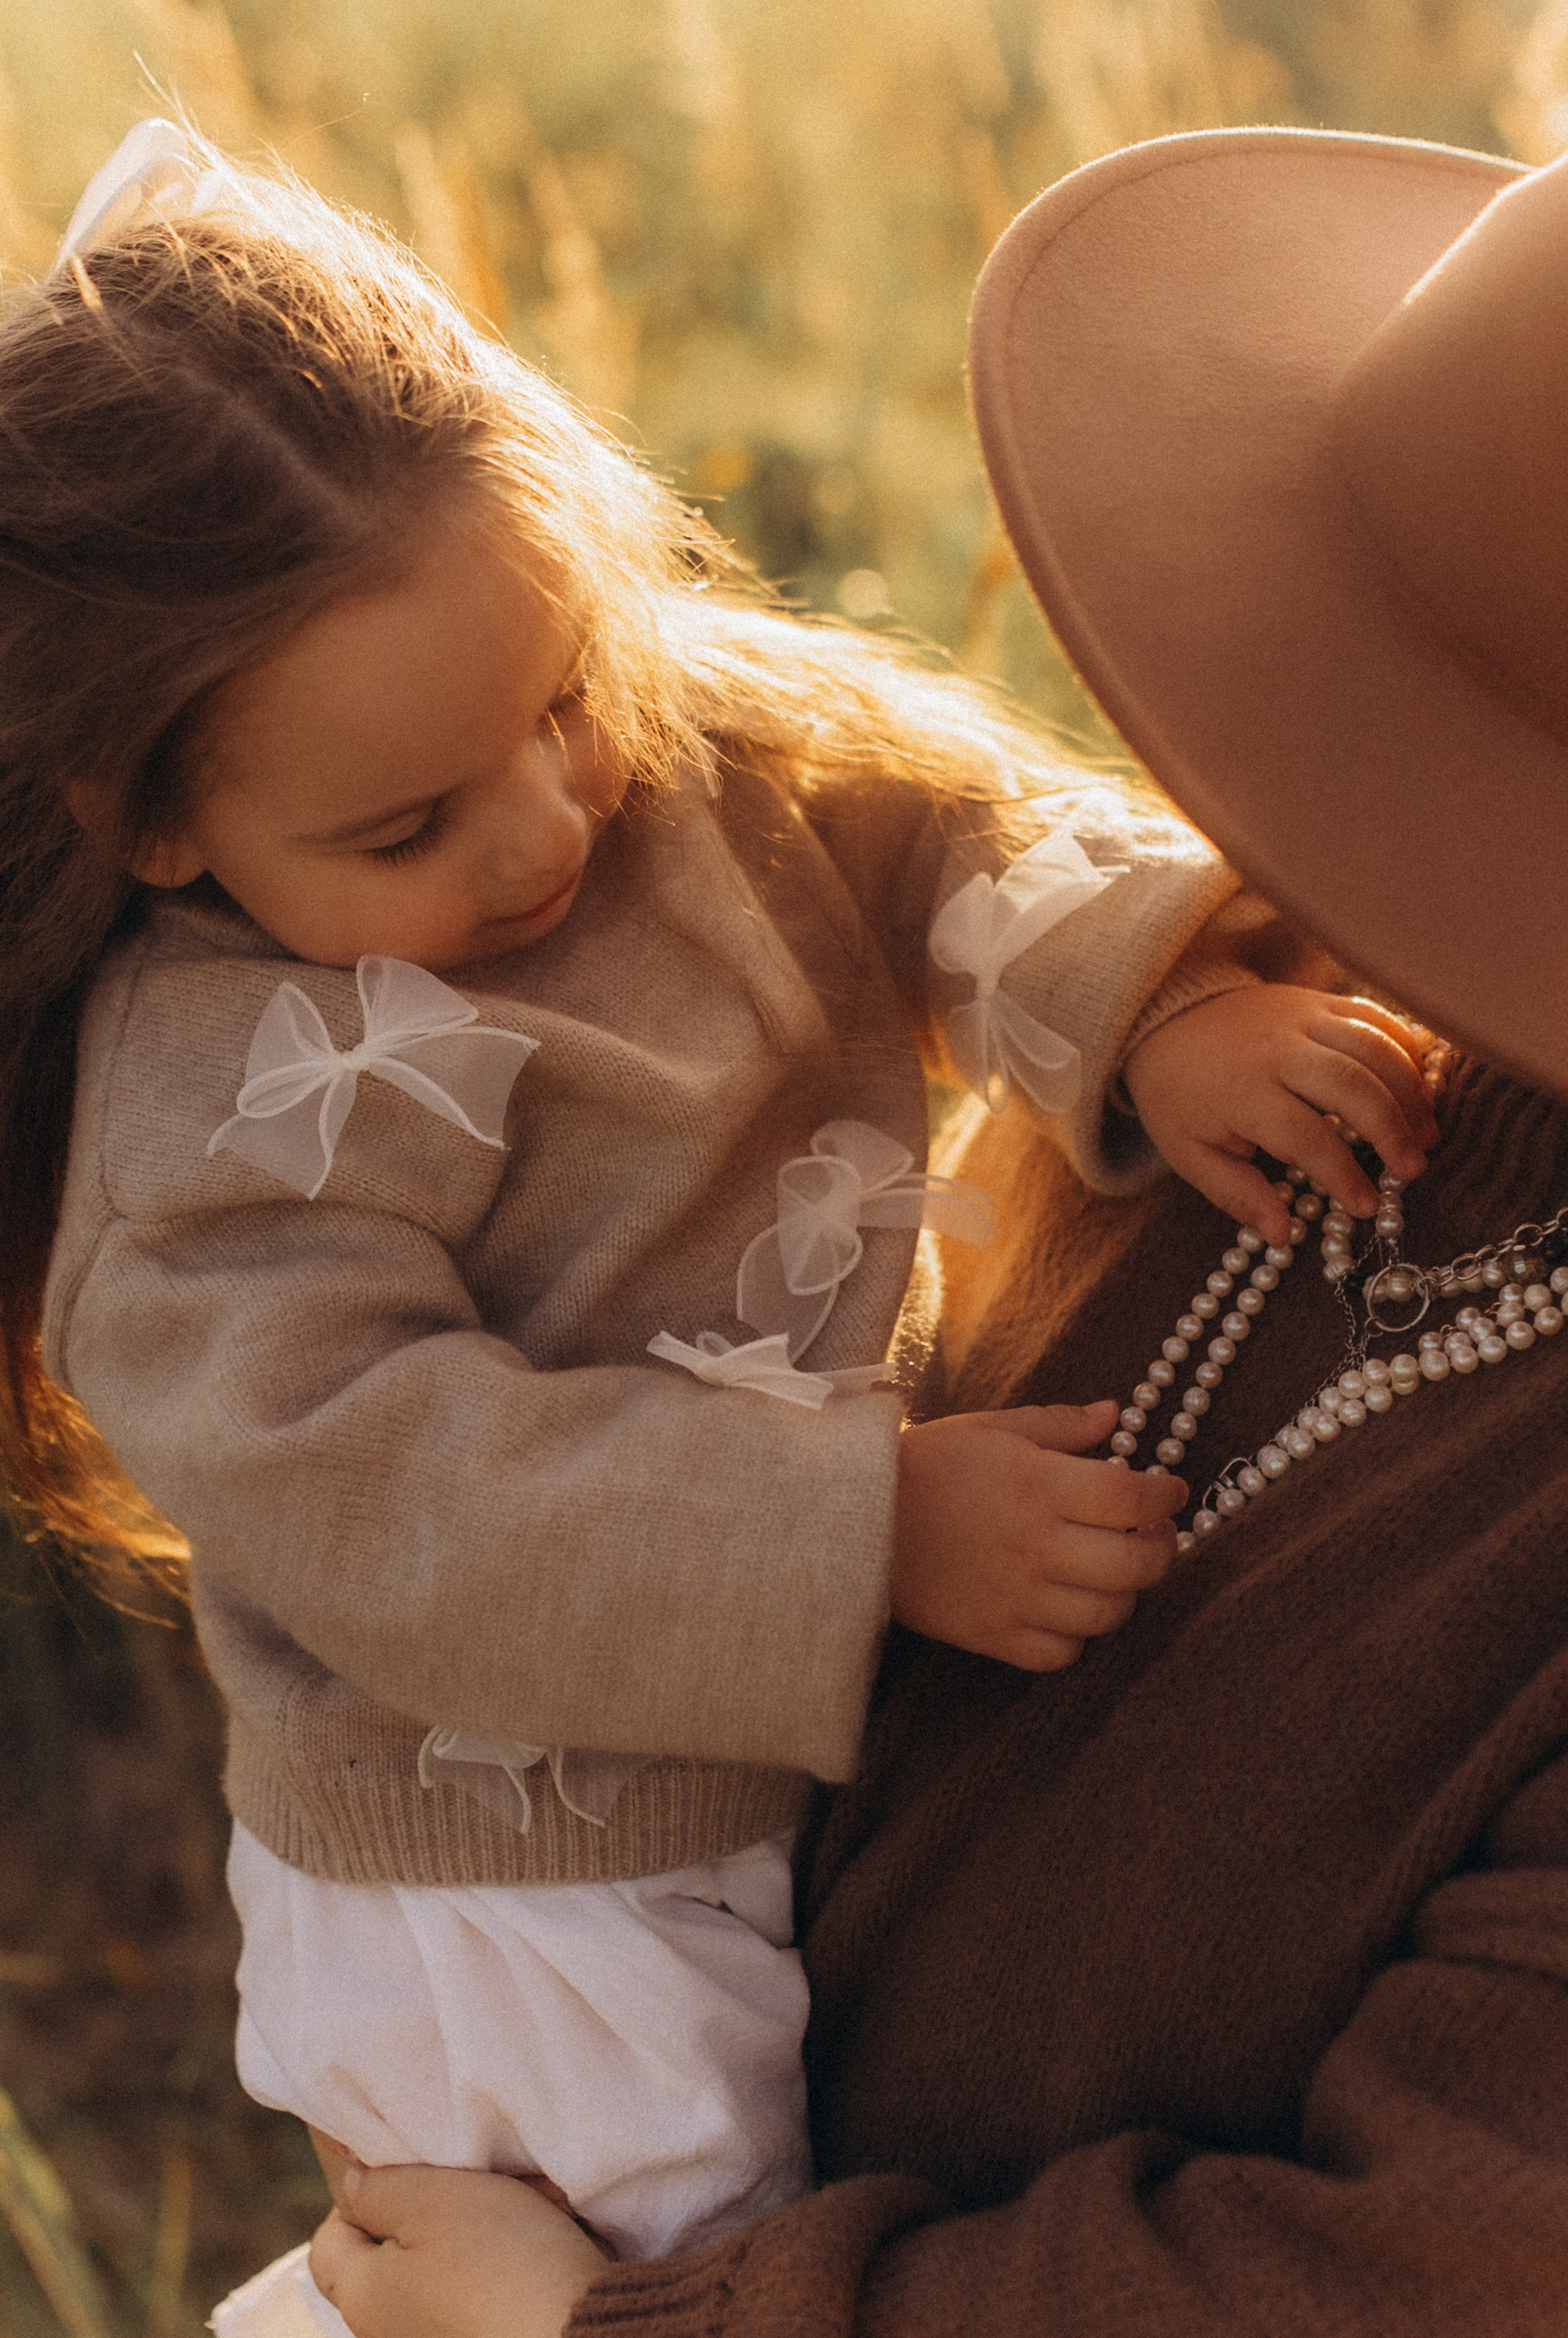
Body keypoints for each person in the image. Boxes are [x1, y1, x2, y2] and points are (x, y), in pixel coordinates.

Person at [2, 122, 1436, 2328]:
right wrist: (861, 1534)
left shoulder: (636, 745)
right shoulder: (225, 1115)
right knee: (621, 2256)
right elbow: (369, 1482)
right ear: (154, 820)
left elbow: (927, 812)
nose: (552, 819)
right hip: (509, 1875)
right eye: (407, 827)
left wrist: (1150, 1012)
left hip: (746, 1745)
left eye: (569, 694)